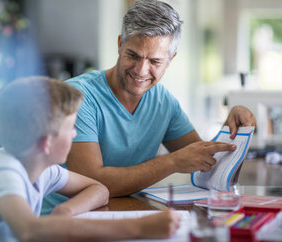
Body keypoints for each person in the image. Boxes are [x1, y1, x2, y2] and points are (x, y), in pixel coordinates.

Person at [42, 0, 256, 213]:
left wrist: (231, 132)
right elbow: (91, 182)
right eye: (133, 55)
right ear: (120, 45)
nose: (141, 71)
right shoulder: (79, 96)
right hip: (59, 223)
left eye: (154, 61)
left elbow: (207, 165)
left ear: (171, 59)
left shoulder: (163, 102)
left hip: (121, 214)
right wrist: (172, 162)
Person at [0, 76, 181, 242]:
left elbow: (99, 190)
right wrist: (139, 227)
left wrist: (64, 212)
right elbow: (30, 231)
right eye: (70, 128)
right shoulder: (4, 173)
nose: (75, 134)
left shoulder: (40, 167)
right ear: (46, 143)